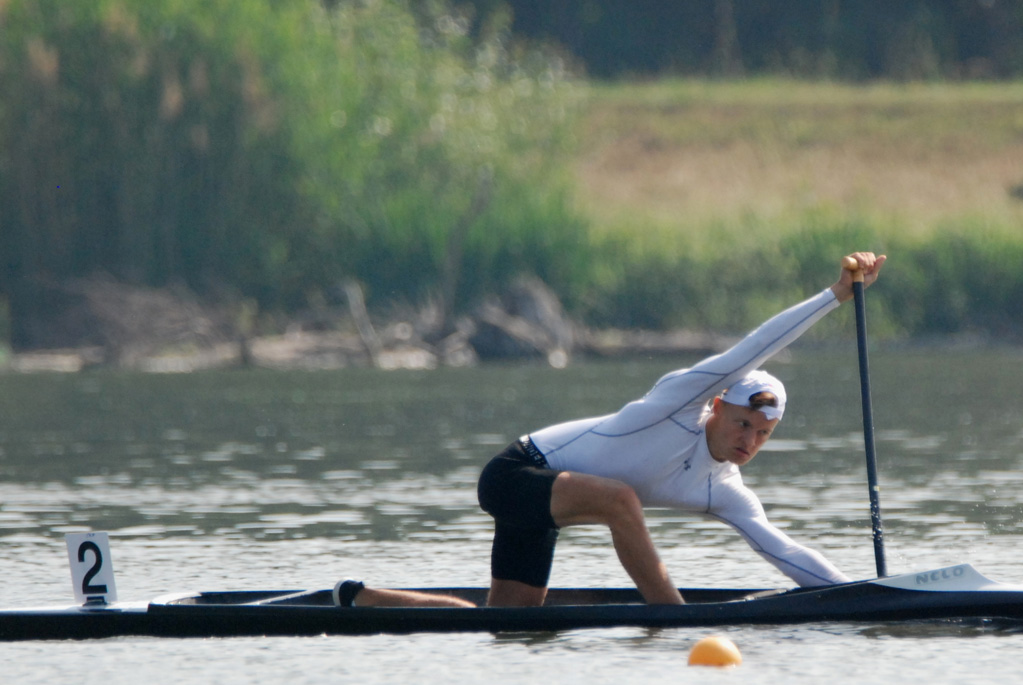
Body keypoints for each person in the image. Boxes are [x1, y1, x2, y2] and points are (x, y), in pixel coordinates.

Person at [335, 250, 886, 609]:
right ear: (717, 405)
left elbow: (785, 554)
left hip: (549, 497)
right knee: (622, 500)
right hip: (516, 472)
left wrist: (867, 599)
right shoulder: (678, 402)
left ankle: (357, 599)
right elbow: (757, 346)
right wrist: (836, 295)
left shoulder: (725, 490)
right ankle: (668, 615)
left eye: (762, 435)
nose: (749, 440)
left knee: (505, 619)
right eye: (743, 423)